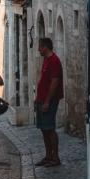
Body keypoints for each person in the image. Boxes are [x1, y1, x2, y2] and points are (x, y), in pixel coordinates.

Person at [35, 37, 64, 167]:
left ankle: (55, 157)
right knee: (43, 129)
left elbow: (54, 82)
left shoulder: (54, 61)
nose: (38, 49)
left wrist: (47, 101)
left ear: (46, 47)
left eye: (40, 47)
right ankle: (48, 156)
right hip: (41, 100)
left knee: (50, 128)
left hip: (49, 101)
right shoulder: (46, 60)